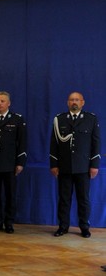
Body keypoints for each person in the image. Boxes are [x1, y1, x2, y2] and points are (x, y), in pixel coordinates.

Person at [50, 91, 100, 238]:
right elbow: (54, 144)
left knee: (83, 199)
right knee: (64, 199)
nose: (74, 102)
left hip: (83, 167)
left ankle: (84, 227)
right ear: (68, 102)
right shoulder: (59, 119)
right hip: (64, 167)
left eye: (77, 100)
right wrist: (54, 164)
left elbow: (96, 144)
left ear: (82, 102)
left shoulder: (91, 119)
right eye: (72, 100)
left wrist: (94, 165)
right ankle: (63, 226)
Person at [0, 91, 27, 234]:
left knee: (10, 195)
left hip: (10, 164)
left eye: (2, 101)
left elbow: (22, 143)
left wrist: (20, 162)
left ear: (9, 103)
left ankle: (9, 223)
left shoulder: (17, 120)